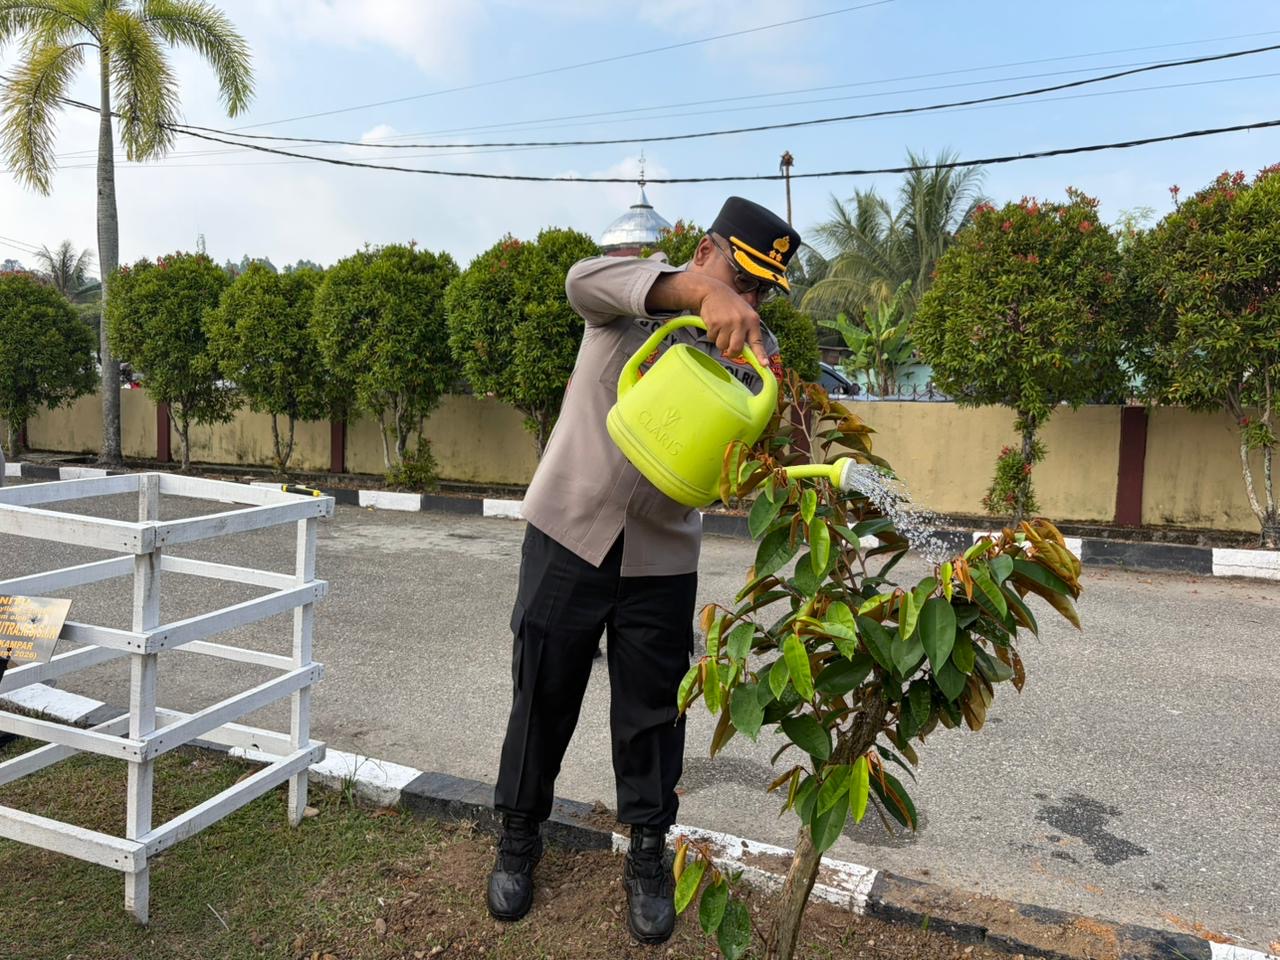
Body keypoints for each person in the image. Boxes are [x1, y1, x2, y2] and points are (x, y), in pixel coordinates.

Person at [487, 196, 801, 943]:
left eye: (761, 291)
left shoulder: (746, 349)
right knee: (543, 693)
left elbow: (755, 456)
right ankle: (518, 836)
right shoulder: (623, 304)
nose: (747, 299)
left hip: (661, 556)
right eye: (740, 276)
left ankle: (649, 855)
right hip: (569, 535)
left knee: (653, 716)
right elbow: (578, 279)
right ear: (703, 250)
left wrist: (765, 396)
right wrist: (704, 294)